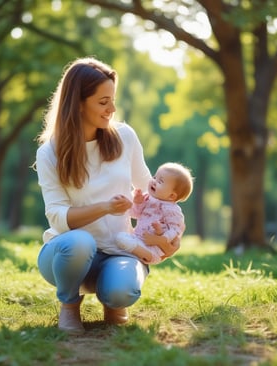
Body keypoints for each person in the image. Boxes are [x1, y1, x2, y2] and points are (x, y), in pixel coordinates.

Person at [35, 57, 179, 335]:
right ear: (78, 103)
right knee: (80, 241)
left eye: (112, 99)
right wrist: (104, 207)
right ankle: (69, 305)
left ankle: (113, 299)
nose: (112, 109)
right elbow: (57, 217)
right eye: (103, 102)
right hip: (65, 257)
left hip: (118, 250)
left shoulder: (125, 137)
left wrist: (170, 237)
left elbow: (151, 192)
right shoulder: (49, 153)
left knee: (121, 292)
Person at [116, 162, 193, 264]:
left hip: (154, 248)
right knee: (121, 237)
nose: (154, 181)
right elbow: (135, 214)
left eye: (160, 181)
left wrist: (160, 238)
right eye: (154, 177)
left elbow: (176, 229)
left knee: (123, 240)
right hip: (138, 238)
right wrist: (137, 202)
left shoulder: (172, 210)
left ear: (172, 196)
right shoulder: (147, 198)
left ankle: (146, 255)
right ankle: (132, 252)